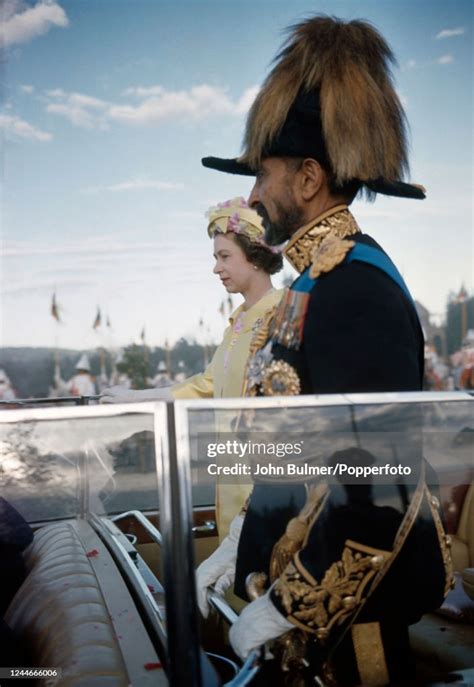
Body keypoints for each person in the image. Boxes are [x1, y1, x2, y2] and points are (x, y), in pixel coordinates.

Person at [200, 15, 451, 685]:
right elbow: (302, 446)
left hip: (352, 630)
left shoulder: (355, 286)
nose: (254, 195)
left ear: (308, 177)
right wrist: (244, 537)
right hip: (306, 602)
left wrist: (292, 604)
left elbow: (376, 493)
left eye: (264, 175)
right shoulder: (316, 278)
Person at [102, 197, 283, 542]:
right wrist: (136, 396)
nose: (216, 268)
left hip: (266, 483)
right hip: (231, 478)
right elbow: (206, 384)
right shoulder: (238, 323)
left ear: (257, 256)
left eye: (224, 256)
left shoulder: (280, 317)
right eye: (216, 257)